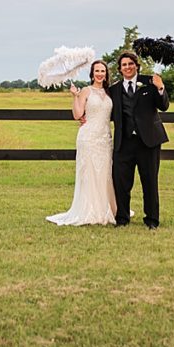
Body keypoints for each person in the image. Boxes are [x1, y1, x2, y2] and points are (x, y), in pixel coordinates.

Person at [46, 61, 119, 226]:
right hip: (88, 137)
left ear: (106, 73)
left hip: (105, 138)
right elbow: (78, 114)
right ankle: (89, 210)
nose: (100, 74)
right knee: (89, 173)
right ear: (92, 73)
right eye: (97, 71)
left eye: (102, 71)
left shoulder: (110, 92)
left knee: (105, 173)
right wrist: (75, 96)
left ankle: (107, 208)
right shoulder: (86, 90)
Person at [108, 51, 170, 229]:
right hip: (124, 142)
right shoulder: (114, 89)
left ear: (136, 66)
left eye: (130, 64)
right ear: (120, 69)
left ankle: (152, 220)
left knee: (150, 181)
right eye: (124, 65)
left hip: (148, 141)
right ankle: (122, 218)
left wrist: (160, 88)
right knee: (121, 183)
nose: (127, 67)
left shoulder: (150, 82)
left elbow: (164, 106)